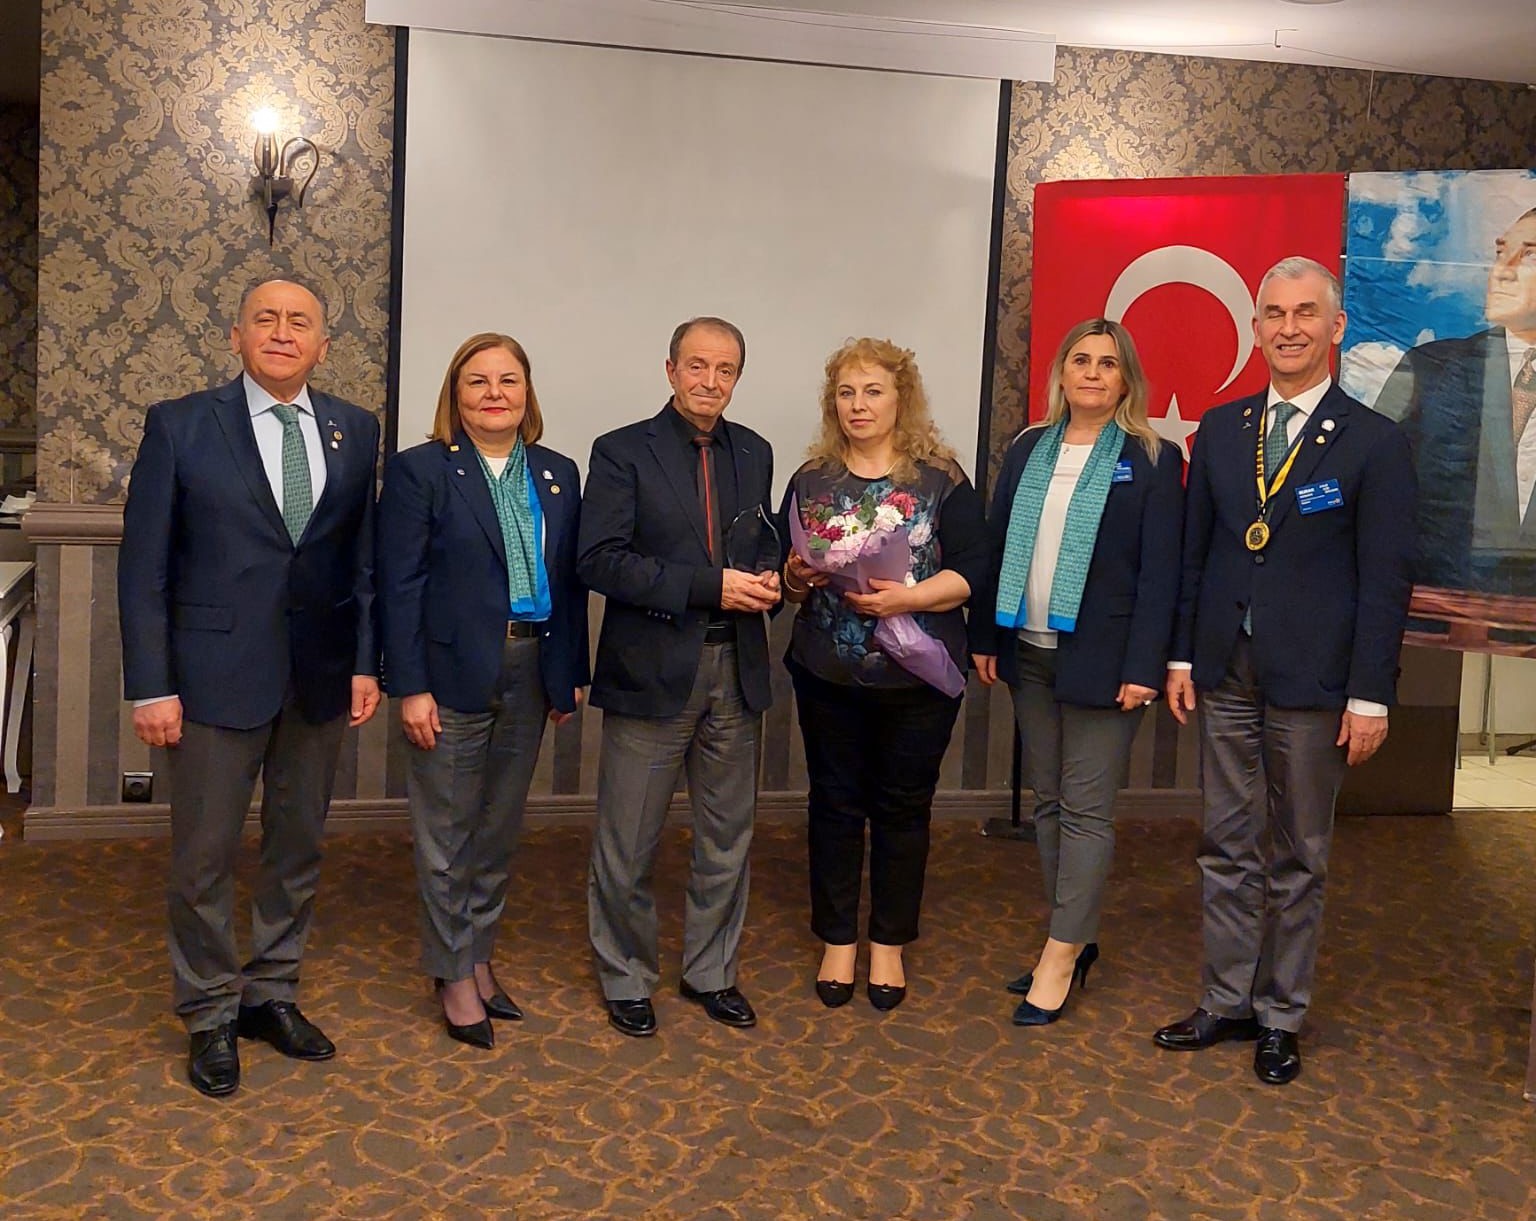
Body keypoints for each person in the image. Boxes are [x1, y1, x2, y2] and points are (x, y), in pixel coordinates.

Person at [1153, 257, 1415, 1085]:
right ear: (1256, 326)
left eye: (1306, 313)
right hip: (1225, 669)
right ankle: (1226, 998)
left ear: (1336, 328)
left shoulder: (1375, 442)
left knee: (1300, 852)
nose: (1289, 328)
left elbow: (1386, 580)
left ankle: (1280, 1015)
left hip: (1316, 681)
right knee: (1225, 842)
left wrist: (1371, 693)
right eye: (1275, 313)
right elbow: (1196, 554)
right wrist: (1182, 653)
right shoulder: (1221, 429)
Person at [119, 278, 382, 1098]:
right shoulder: (180, 424)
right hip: (209, 680)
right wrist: (151, 684)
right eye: (265, 318)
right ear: (236, 336)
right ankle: (208, 1011)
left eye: (300, 321)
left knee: (297, 847)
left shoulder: (355, 428)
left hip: (319, 677)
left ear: (323, 345)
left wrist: (365, 662)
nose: (281, 331)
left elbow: (360, 562)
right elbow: (143, 568)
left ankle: (271, 992)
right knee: (203, 855)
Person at [377, 333, 588, 1050]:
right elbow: (400, 586)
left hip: (532, 668)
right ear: (455, 394)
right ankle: (452, 973)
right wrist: (410, 686)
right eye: (477, 381)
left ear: (527, 392)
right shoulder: (422, 471)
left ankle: (477, 954)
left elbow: (569, 583)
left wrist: (568, 673)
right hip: (449, 675)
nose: (494, 393)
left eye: (508, 380)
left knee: (497, 830)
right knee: (447, 836)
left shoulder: (558, 473)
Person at [970, 319, 1182, 1027]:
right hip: (1028, 650)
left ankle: (1059, 955)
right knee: (1050, 803)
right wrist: (987, 635)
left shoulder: (1153, 457)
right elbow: (997, 542)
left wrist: (1145, 665)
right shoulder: (1029, 446)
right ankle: (1075, 935)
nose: (1092, 372)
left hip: (1107, 660)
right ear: (1061, 371)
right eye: (1081, 360)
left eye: (1108, 363)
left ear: (1126, 380)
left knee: (1087, 811)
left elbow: (1161, 573)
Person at [579, 316, 779, 1037]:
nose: (710, 381)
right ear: (670, 371)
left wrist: (772, 578)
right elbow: (599, 560)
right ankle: (626, 977)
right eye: (697, 366)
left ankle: (711, 972)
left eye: (725, 370)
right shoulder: (621, 451)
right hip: (654, 668)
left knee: (727, 839)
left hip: (737, 667)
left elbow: (754, 544)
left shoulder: (755, 451)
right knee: (628, 841)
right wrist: (708, 587)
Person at [781, 337, 987, 1012]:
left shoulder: (941, 479)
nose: (859, 405)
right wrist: (796, 575)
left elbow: (973, 572)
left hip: (918, 679)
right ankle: (837, 938)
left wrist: (910, 598)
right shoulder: (811, 480)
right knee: (834, 805)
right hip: (827, 673)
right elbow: (788, 580)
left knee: (903, 808)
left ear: (902, 399)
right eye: (846, 392)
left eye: (873, 391)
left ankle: (890, 942)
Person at [1373, 205, 1536, 603]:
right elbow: (1374, 500)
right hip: (1439, 620)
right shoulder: (1429, 370)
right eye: (1500, 253)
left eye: (1529, 255)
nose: (1503, 271)